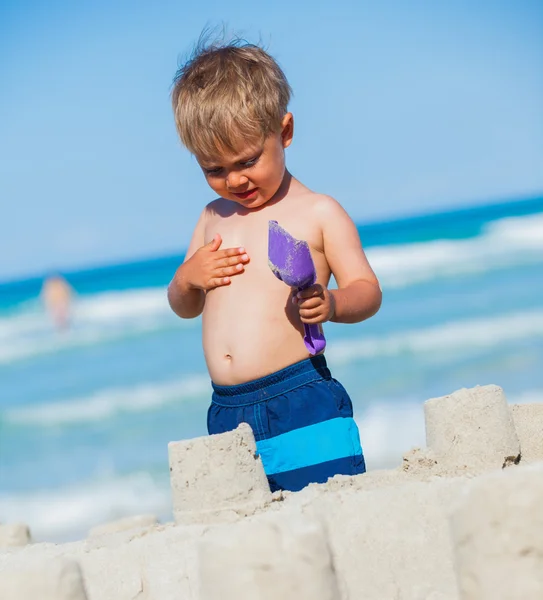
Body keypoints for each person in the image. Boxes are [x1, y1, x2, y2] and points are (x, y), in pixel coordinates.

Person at [167, 37, 382, 492]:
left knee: (326, 505)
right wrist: (187, 279)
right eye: (214, 169)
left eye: (247, 161)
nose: (234, 179)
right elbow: (185, 306)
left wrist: (333, 302)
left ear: (284, 132)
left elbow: (367, 290)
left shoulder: (319, 211)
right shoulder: (212, 217)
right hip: (227, 408)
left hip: (300, 394)